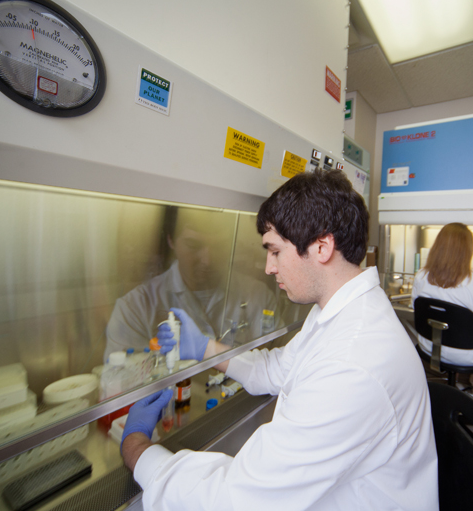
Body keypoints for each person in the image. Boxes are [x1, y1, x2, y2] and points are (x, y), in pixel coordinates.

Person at [121, 170, 438, 510]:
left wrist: (138, 449)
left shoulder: (353, 363)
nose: (268, 267)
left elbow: (234, 501)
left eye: (274, 251)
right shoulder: (341, 311)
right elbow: (277, 370)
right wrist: (206, 348)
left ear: (321, 246)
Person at [103, 207, 278, 360]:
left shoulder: (259, 297)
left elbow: (276, 366)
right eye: (193, 245)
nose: (207, 260)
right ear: (171, 240)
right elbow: (121, 381)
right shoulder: (134, 308)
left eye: (220, 246)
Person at [411, 222, 473, 407]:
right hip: (466, 355)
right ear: (469, 250)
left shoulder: (421, 277)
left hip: (430, 348)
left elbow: (417, 310)